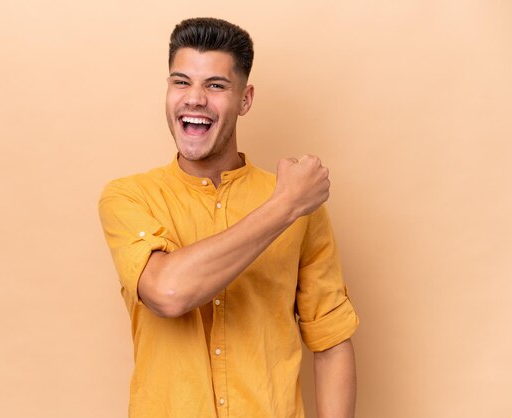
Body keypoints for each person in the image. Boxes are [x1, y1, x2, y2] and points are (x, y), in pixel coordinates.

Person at [99, 17, 359, 418]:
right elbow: (167, 293)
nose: (194, 99)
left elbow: (330, 340)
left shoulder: (303, 208)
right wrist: (284, 206)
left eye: (215, 85)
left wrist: (291, 203)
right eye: (180, 82)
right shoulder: (130, 197)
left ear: (245, 99)